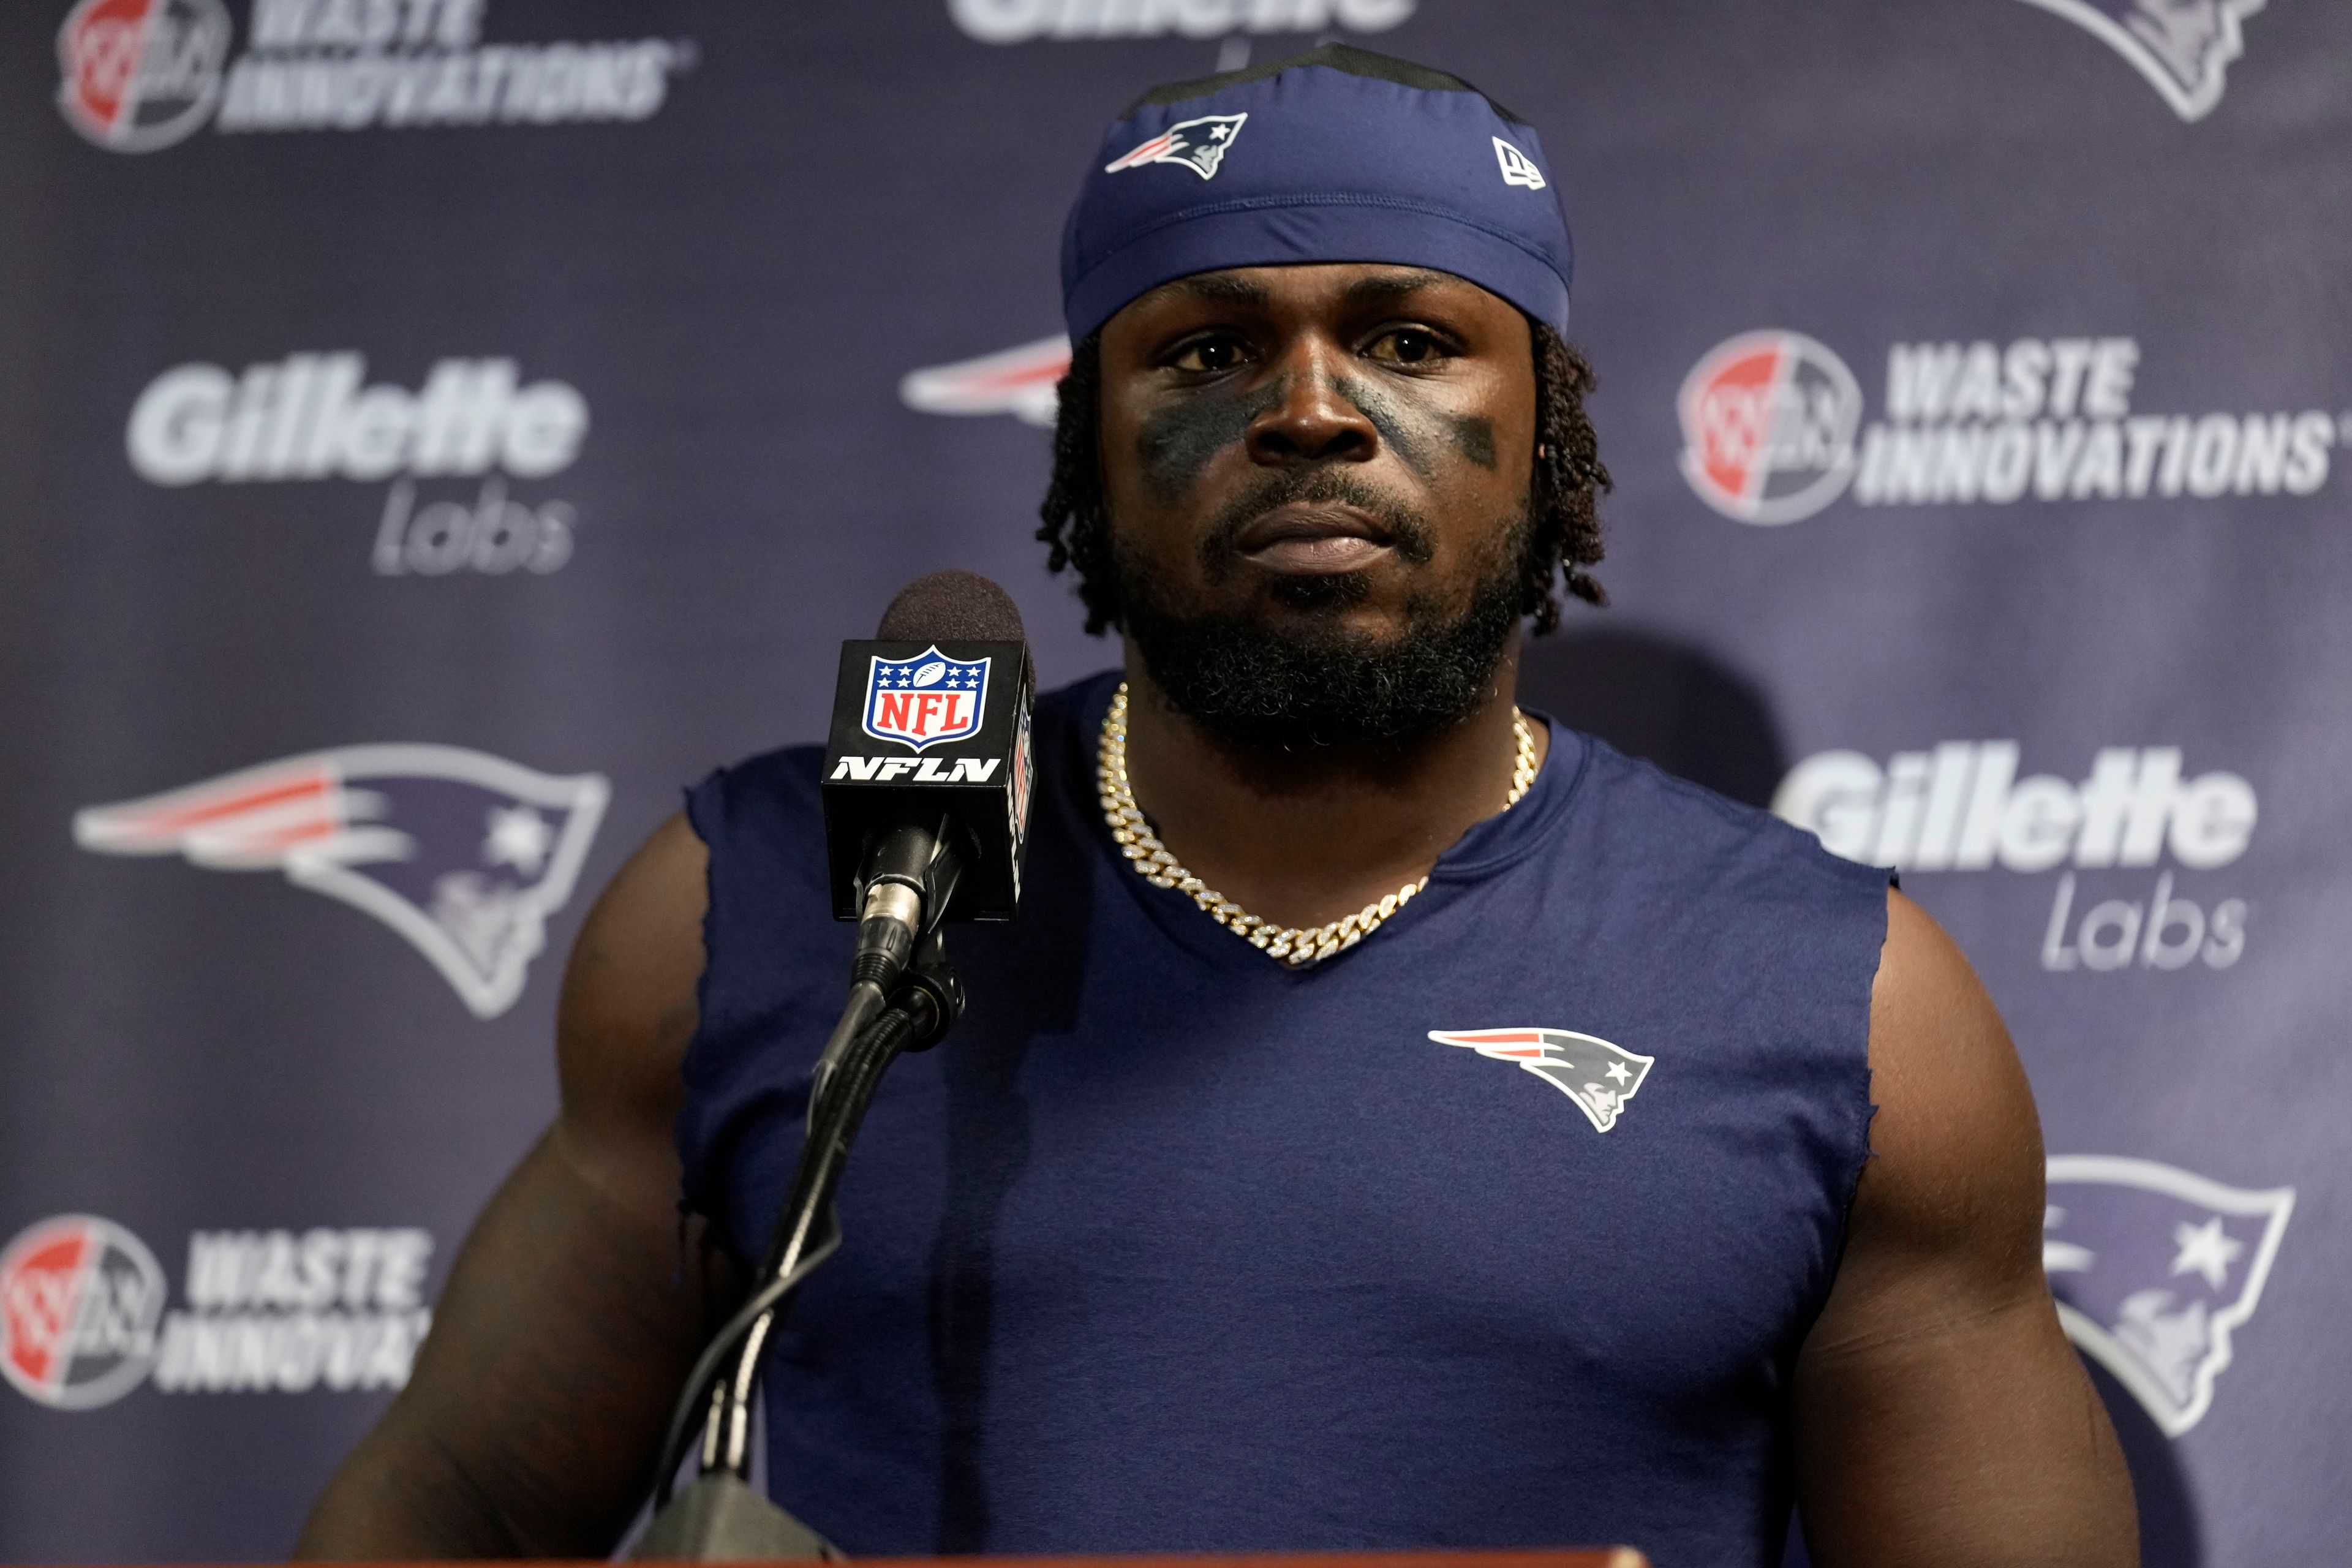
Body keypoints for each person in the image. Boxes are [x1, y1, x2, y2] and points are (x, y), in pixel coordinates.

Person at [298, 46, 2136, 1567]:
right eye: (1206, 350)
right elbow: (456, 1504)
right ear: (1086, 440)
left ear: (1551, 427)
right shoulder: (773, 902)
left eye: (1411, 340)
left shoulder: (1842, 1001)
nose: (1311, 410)